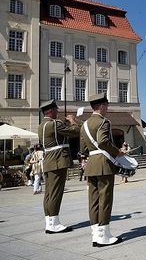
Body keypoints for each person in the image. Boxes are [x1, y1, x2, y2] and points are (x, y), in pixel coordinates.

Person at [80, 93, 124, 247]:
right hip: (103, 164)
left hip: (91, 164)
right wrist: (117, 152)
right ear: (101, 106)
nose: (108, 107)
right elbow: (103, 141)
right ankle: (104, 234)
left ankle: (95, 233)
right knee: (105, 199)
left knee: (93, 200)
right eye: (107, 105)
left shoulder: (84, 124)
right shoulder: (103, 122)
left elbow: (83, 148)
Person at [38, 99, 81, 234]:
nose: (58, 111)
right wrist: (73, 120)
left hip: (48, 161)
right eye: (56, 109)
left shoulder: (42, 125)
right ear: (50, 111)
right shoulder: (55, 123)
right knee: (56, 192)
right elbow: (75, 132)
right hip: (58, 160)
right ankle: (54, 223)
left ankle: (49, 221)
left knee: (49, 193)